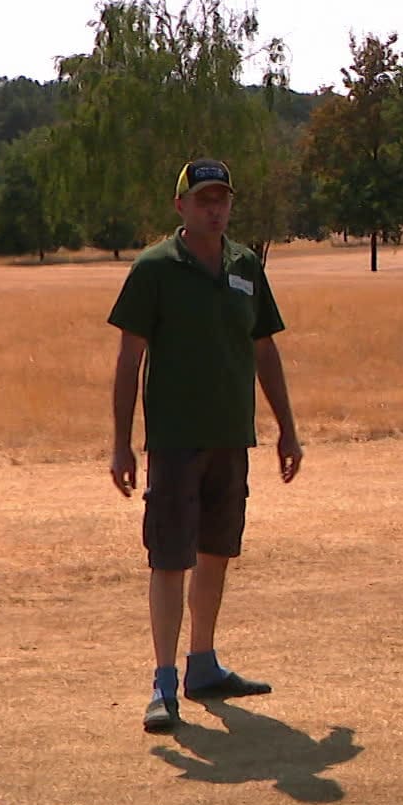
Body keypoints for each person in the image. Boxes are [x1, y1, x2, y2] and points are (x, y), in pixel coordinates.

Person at [107, 158, 304, 734]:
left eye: (222, 199)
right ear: (181, 206)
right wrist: (121, 444)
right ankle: (163, 683)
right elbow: (129, 359)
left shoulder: (245, 265)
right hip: (175, 439)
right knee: (171, 557)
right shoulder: (155, 268)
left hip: (230, 436)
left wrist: (287, 427)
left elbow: (264, 349)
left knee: (217, 551)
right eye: (204, 200)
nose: (215, 210)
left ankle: (204, 665)